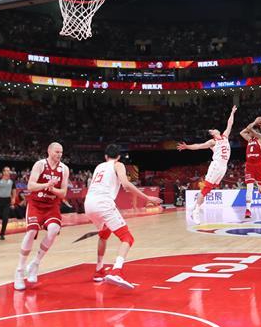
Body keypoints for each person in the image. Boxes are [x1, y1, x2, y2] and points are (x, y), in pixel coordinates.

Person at [85, 144, 162, 289]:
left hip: (89, 204)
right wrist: (147, 198)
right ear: (119, 156)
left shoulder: (99, 167)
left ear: (105, 156)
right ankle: (116, 271)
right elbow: (126, 185)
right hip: (103, 203)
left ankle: (99, 270)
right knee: (127, 238)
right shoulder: (118, 165)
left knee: (103, 234)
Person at [14, 143, 69, 291]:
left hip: (52, 205)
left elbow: (63, 193)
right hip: (36, 204)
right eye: (57, 152)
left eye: (61, 152)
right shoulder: (40, 165)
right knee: (31, 231)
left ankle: (35, 263)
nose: (59, 154)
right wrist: (46, 185)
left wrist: (53, 189)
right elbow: (30, 186)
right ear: (49, 151)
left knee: (54, 229)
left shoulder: (64, 169)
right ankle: (19, 270)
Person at [177, 105, 237, 224]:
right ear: (212, 134)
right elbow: (198, 146)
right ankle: (196, 212)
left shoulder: (224, 136)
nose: (214, 129)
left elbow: (230, 124)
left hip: (223, 167)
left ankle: (195, 206)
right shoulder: (212, 142)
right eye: (212, 129)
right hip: (216, 166)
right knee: (205, 189)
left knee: (209, 189)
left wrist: (232, 112)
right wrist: (187, 146)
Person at [239, 116, 261, 219]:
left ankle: (260, 186)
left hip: (259, 165)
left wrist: (255, 122)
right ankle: (248, 210)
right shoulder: (249, 139)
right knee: (249, 188)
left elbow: (249, 129)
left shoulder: (260, 137)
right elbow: (242, 132)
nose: (248, 133)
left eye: (250, 132)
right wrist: (254, 123)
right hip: (249, 165)